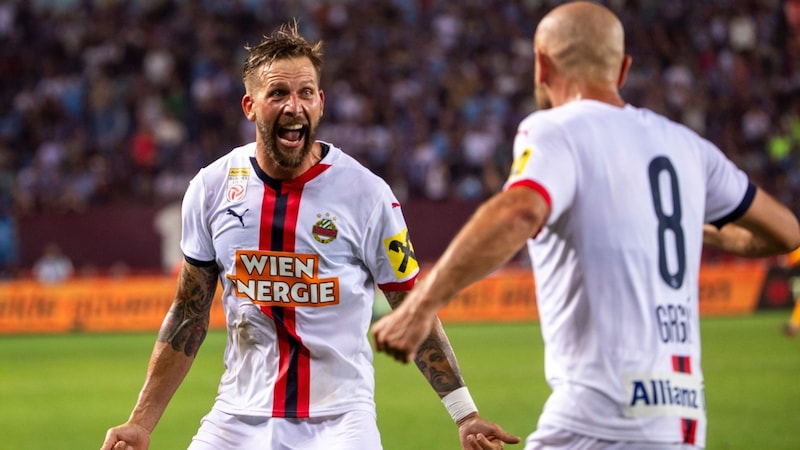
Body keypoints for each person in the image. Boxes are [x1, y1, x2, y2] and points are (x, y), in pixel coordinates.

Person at [372, 2, 800, 449]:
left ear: (541, 64)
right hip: (683, 418)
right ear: (624, 69)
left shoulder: (558, 130)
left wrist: (420, 308)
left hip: (601, 417)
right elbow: (786, 231)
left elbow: (517, 212)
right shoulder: (688, 146)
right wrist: (692, 228)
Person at [100, 21, 518, 450]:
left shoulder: (367, 195)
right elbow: (189, 314)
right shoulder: (211, 188)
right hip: (236, 417)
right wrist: (141, 423)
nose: (293, 105)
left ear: (320, 103)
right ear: (250, 105)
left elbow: (411, 306)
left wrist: (464, 413)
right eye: (278, 93)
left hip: (340, 420)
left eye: (305, 93)